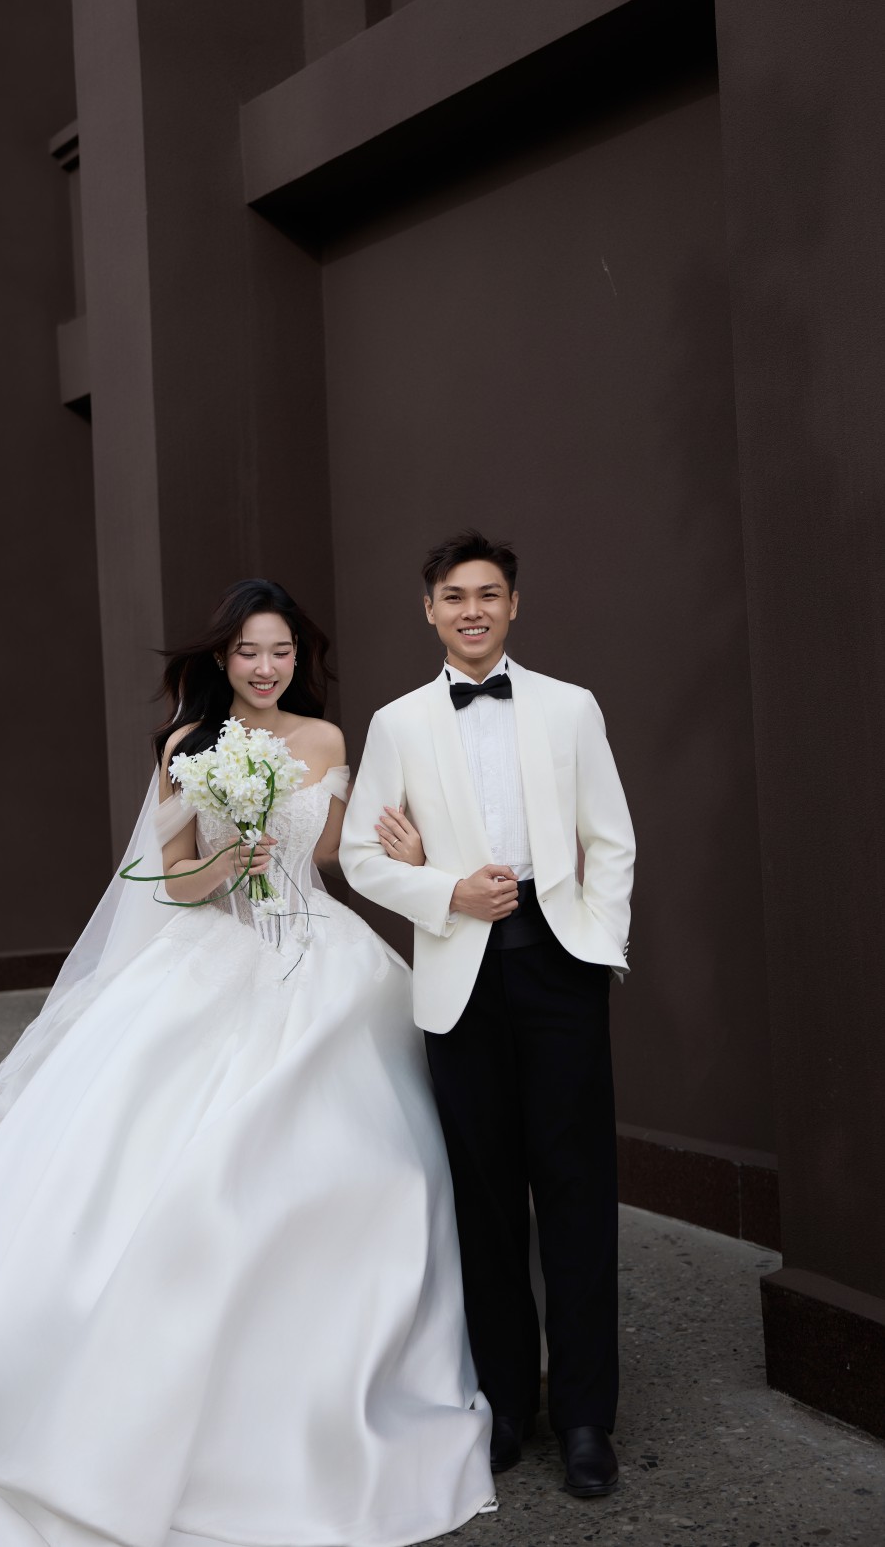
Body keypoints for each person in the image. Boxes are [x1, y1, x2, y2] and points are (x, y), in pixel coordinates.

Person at [0, 578, 496, 1545]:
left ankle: (334, 1387)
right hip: (213, 956)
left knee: (371, 1165)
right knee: (137, 1172)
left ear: (300, 659)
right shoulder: (187, 746)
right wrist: (226, 862)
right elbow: (166, 881)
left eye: (281, 651)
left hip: (321, 960)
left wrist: (392, 845)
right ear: (222, 658)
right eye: (248, 651)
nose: (264, 667)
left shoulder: (327, 741)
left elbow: (332, 857)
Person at [340, 531, 635, 1500]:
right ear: (428, 610)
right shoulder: (397, 723)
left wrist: (596, 942)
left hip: (560, 970)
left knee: (577, 1190)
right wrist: (444, 891)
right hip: (458, 979)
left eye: (488, 594)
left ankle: (585, 1416)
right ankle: (505, 1403)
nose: (472, 610)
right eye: (454, 596)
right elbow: (360, 855)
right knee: (485, 1196)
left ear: (513, 605)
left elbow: (610, 838)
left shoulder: (569, 706)